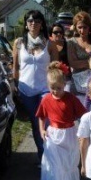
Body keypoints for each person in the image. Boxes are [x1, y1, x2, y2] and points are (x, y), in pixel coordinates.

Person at [36, 62, 88, 180]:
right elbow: (41, 116)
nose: (56, 91)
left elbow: (83, 115)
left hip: (70, 134)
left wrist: (85, 131)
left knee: (70, 164)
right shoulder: (46, 99)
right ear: (48, 86)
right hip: (53, 135)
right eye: (53, 88)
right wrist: (41, 130)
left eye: (59, 88)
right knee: (55, 168)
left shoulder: (71, 98)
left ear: (64, 84)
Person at [12, 10, 60, 160]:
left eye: (37, 21)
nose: (34, 24)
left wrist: (57, 87)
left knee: (46, 121)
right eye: (30, 21)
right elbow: (15, 67)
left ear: (42, 24)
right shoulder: (19, 43)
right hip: (26, 90)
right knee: (34, 122)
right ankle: (42, 154)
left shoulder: (50, 44)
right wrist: (15, 86)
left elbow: (56, 68)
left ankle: (50, 154)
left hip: (45, 89)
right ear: (26, 24)